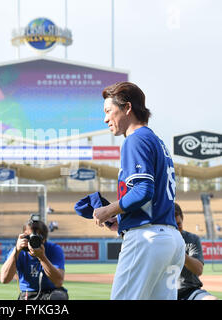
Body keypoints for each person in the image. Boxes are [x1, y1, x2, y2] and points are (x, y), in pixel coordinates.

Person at [93, 81, 185, 300]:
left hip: (147, 239)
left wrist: (108, 211)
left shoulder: (135, 139)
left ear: (127, 108)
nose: (106, 118)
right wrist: (122, 220)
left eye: (109, 111)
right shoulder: (156, 141)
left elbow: (143, 190)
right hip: (171, 241)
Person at [0, 218, 68, 300]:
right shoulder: (18, 251)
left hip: (52, 292)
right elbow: (4, 279)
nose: (33, 241)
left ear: (45, 238)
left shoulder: (53, 249)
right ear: (24, 236)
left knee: (58, 297)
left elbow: (58, 282)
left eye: (38, 238)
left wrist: (42, 257)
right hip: (28, 294)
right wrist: (16, 251)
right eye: (30, 237)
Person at [174, 202, 218, 300]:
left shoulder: (192, 239)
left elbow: (198, 270)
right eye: (173, 226)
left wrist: (180, 252)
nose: (177, 229)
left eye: (179, 224)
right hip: (164, 293)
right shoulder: (158, 242)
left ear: (182, 218)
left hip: (190, 291)